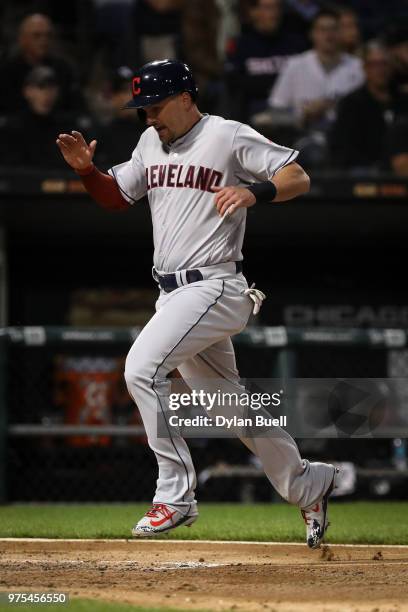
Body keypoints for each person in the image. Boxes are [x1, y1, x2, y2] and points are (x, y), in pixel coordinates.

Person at [56, 59, 339, 549]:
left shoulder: (227, 135)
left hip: (216, 287)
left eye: (157, 106)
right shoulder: (149, 143)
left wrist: (255, 192)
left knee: (141, 369)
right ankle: (308, 483)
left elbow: (298, 177)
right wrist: (86, 172)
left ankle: (177, 494)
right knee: (232, 409)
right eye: (143, 108)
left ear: (187, 97)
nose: (149, 117)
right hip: (172, 294)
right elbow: (116, 198)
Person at [268, 9, 364, 131]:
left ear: (341, 33)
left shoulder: (358, 66)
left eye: (333, 29)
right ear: (312, 34)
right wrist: (303, 115)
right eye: (322, 30)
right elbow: (276, 113)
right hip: (305, 137)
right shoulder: (295, 65)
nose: (328, 35)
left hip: (348, 136)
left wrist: (333, 106)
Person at [330, 41, 408, 170]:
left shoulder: (404, 101)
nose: (380, 70)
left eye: (384, 64)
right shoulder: (351, 104)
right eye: (375, 64)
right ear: (365, 68)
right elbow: (344, 147)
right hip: (364, 171)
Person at [225, 0, 306, 121]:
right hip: (254, 109)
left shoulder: (296, 43)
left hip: (294, 106)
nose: (274, 14)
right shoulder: (241, 45)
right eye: (268, 8)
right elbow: (236, 82)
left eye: (277, 8)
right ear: (253, 12)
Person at [0, 13, 82, 113]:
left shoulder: (63, 69)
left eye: (48, 35)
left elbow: (75, 107)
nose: (44, 40)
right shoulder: (7, 72)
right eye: (37, 35)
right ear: (22, 39)